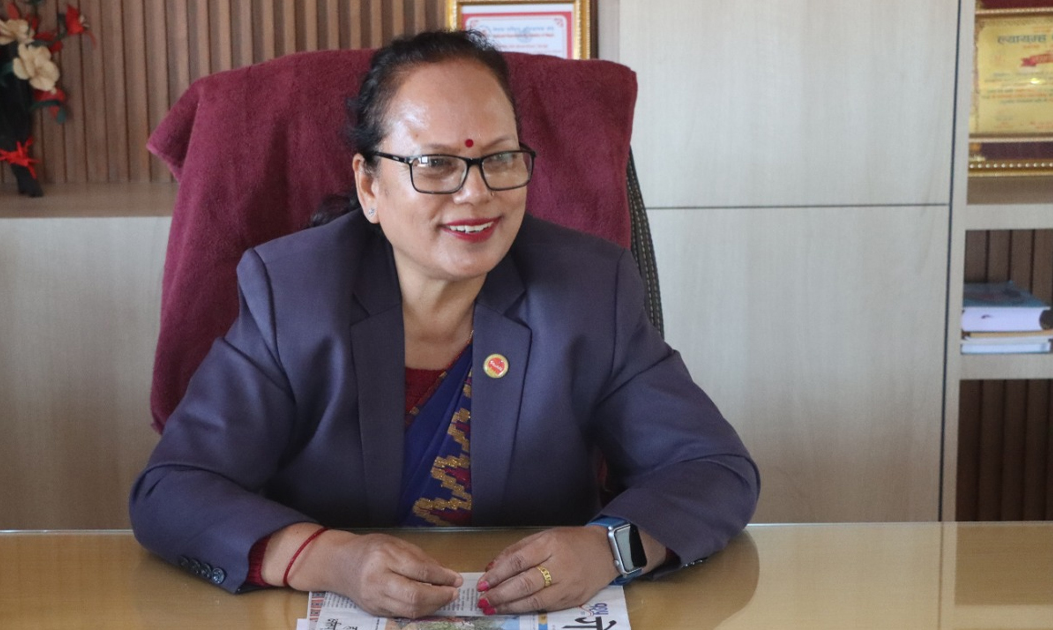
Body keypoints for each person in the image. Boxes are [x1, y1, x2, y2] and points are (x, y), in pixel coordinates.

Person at [130, 30, 759, 619]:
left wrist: (609, 550)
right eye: (434, 164)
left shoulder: (588, 290)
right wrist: (328, 559)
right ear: (369, 185)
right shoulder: (293, 293)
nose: (476, 194)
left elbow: (713, 468)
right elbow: (174, 490)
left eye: (499, 158)